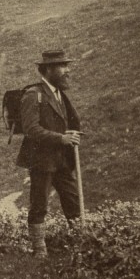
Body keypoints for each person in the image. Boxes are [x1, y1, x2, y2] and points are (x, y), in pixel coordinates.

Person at [15, 50, 84, 258]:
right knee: (39, 203)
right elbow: (31, 129)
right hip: (42, 160)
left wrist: (70, 133)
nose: (67, 70)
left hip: (61, 160)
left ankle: (81, 243)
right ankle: (39, 250)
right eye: (62, 66)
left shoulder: (59, 94)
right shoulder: (33, 95)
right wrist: (61, 138)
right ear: (48, 70)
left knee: (73, 200)